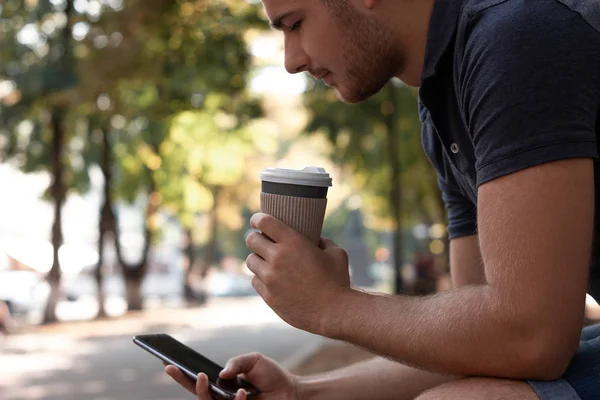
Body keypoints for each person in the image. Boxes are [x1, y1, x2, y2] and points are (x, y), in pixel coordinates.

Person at [166, 0, 600, 399]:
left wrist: (332, 306)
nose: (291, 61)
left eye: (296, 24)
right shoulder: (441, 103)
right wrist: (302, 392)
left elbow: (530, 337)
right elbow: (481, 344)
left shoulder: (514, 36)